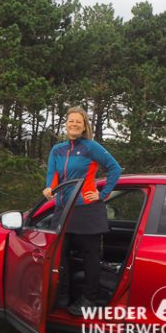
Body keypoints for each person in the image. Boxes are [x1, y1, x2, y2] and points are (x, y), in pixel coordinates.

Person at [43, 106, 121, 316]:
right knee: (59, 257)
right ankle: (62, 297)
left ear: (84, 125)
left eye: (78, 121)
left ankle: (88, 299)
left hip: (87, 210)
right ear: (65, 124)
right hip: (62, 210)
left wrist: (103, 194)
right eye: (71, 121)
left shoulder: (91, 147)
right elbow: (53, 173)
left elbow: (115, 168)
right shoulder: (57, 150)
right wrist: (50, 187)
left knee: (90, 259)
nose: (74, 124)